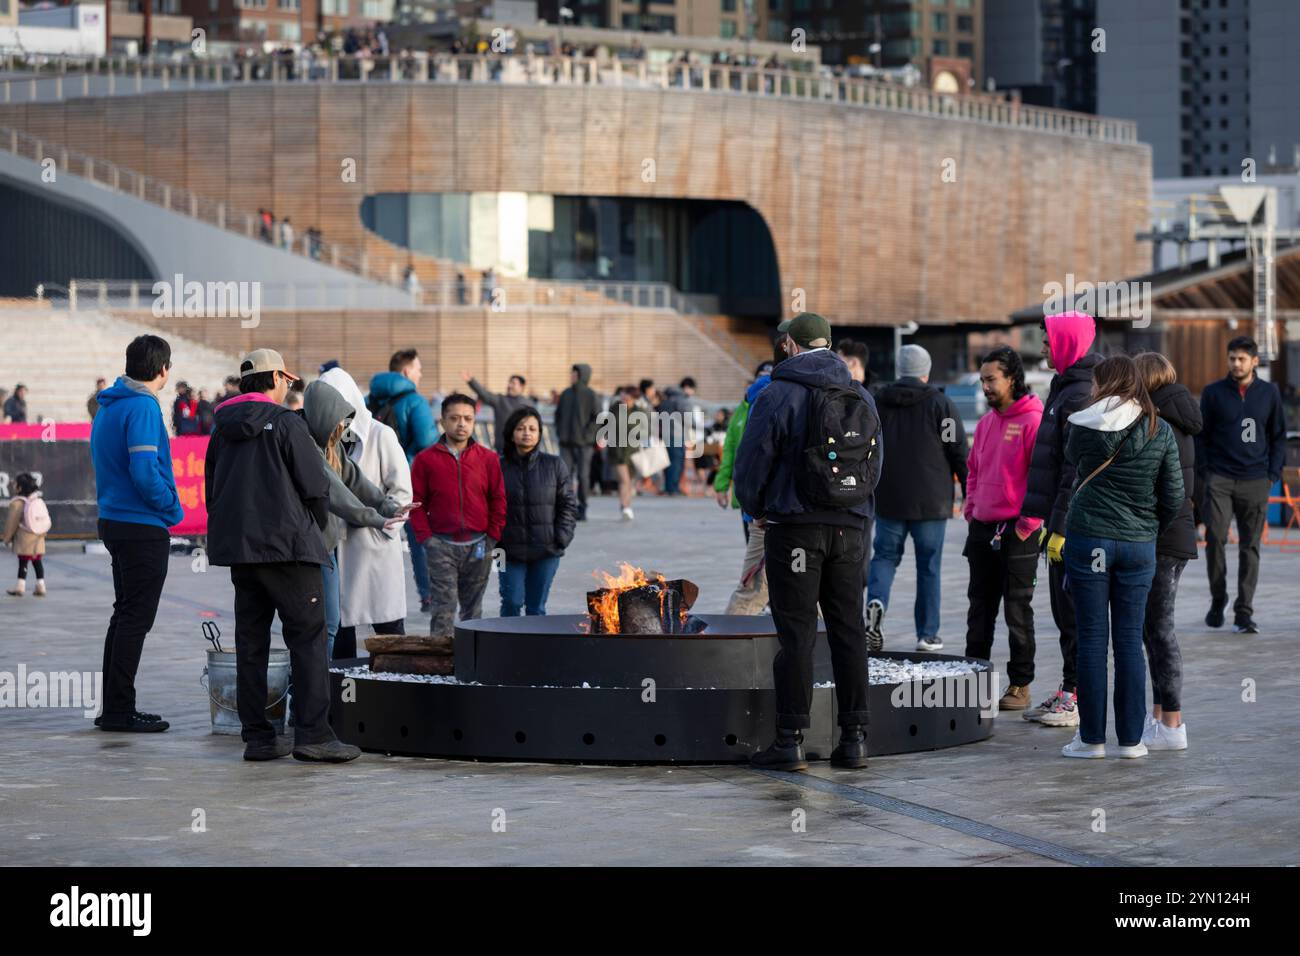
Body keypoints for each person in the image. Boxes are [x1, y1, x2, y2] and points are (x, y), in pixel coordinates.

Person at [735, 312, 883, 771]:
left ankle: (790, 740)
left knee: (797, 634)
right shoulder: (859, 394)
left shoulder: (777, 392)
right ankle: (855, 739)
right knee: (848, 629)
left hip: (795, 528)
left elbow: (754, 459)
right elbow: (876, 464)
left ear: (791, 346)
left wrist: (757, 506)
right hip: (850, 527)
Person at [205, 349, 360, 763]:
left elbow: (211, 492)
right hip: (290, 550)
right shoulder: (287, 423)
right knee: (308, 641)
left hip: (243, 553)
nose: (288, 386)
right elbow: (315, 485)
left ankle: (259, 738)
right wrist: (315, 527)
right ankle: (313, 734)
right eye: (286, 380)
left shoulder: (220, 427)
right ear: (274, 378)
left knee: (251, 644)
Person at [1060, 355, 1183, 759]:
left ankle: (1091, 740)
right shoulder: (1159, 428)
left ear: (1105, 384)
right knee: (1129, 640)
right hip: (1138, 545)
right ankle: (1131, 741)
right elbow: (1174, 495)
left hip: (1089, 540)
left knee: (1093, 639)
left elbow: (1074, 464)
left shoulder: (1082, 424)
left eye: (1097, 383)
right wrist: (1148, 529)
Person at [89, 335, 183, 733]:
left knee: (124, 615)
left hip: (115, 520)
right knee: (134, 619)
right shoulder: (144, 406)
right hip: (141, 525)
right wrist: (170, 507)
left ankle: (115, 707)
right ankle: (119, 710)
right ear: (163, 369)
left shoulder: (109, 405)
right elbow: (145, 472)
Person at [1020, 311, 1101, 728]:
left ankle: (1081, 696)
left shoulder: (1081, 393)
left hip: (1073, 524)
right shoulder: (1063, 385)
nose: (1045, 350)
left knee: (1074, 612)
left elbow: (1075, 469)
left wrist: (1062, 526)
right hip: (1056, 518)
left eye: (1050, 343)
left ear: (1068, 344)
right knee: (1061, 611)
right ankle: (1070, 687)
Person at [865, 344, 967, 652]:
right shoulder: (941, 404)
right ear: (926, 370)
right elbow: (958, 451)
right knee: (929, 566)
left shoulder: (877, 402)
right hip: (931, 500)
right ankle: (927, 634)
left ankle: (876, 603)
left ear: (899, 369)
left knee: (884, 557)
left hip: (888, 497)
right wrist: (968, 488)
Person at [303, 380, 410, 660]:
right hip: (323, 547)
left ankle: (389, 683)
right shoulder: (309, 444)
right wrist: (375, 517)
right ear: (325, 414)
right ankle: (322, 687)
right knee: (332, 625)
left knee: (383, 622)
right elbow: (336, 492)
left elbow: (354, 479)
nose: (342, 427)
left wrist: (387, 508)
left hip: (368, 548)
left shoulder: (351, 440)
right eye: (337, 420)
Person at [961, 347, 1043, 710]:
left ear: (1012, 378)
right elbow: (973, 470)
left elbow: (1043, 477)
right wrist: (971, 508)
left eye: (991, 380)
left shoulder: (1033, 421)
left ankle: (1019, 685)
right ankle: (973, 680)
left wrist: (1027, 524)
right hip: (982, 528)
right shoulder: (985, 423)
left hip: (1018, 531)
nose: (985, 387)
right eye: (982, 381)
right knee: (979, 609)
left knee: (1017, 611)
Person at [1198, 336, 1287, 634]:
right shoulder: (1213, 393)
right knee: (1215, 538)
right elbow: (1201, 435)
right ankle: (1218, 597)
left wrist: (1272, 474)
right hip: (1220, 478)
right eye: (1232, 358)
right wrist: (1206, 472)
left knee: (1251, 546)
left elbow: (1278, 436)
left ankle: (1244, 611)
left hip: (1256, 479)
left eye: (1241, 359)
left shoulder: (1269, 393)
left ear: (1254, 361)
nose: (1236, 364)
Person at [1135, 352, 1200, 751]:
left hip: (1164, 535)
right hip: (1175, 534)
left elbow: (1161, 486)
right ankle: (1159, 717)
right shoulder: (1180, 414)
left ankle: (1173, 724)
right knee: (1151, 629)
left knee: (1159, 629)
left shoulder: (1160, 421)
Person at [409, 393, 506, 637]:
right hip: (440, 545)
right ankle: (439, 664)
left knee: (473, 612)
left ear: (474, 421)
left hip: (479, 545)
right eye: (454, 418)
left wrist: (492, 536)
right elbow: (416, 503)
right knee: (443, 608)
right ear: (442, 421)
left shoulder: (488, 459)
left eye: (467, 418)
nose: (461, 424)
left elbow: (498, 499)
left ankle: (472, 661)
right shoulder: (425, 460)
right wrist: (426, 539)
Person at [369, 349, 438, 613]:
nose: (420, 374)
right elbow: (427, 443)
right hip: (409, 482)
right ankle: (429, 594)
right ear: (407, 371)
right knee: (419, 540)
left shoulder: (369, 399)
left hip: (371, 482)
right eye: (418, 369)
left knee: (374, 539)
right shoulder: (416, 402)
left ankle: (375, 596)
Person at [498, 406, 577, 615]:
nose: (527, 433)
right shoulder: (497, 466)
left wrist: (561, 538)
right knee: (511, 601)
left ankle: (534, 648)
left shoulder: (555, 465)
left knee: (536, 607)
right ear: (511, 433)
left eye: (533, 429)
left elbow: (568, 504)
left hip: (547, 549)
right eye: (521, 428)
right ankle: (505, 645)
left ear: (540, 433)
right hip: (505, 551)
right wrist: (494, 543)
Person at [718, 354, 779, 614]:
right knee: (757, 561)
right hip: (753, 502)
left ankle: (770, 602)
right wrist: (722, 483)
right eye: (761, 376)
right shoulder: (744, 409)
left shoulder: (769, 400)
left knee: (767, 567)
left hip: (763, 503)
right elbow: (731, 449)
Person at [555, 363, 599, 521]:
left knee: (583, 476)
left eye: (574, 374)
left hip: (584, 445)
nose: (572, 376)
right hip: (566, 443)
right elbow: (558, 415)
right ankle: (567, 507)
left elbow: (598, 419)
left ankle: (583, 507)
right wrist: (560, 432)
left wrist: (588, 436)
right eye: (571, 374)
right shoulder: (565, 394)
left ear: (582, 376)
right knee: (564, 476)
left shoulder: (591, 395)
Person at [4, 472, 50, 597]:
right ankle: (41, 585)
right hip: (38, 538)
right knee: (37, 562)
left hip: (24, 539)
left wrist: (7, 539)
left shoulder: (17, 503)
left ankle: (20, 586)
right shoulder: (38, 501)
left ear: (19, 487)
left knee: (23, 563)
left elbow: (11, 524)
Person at [463, 371, 530, 452]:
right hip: (503, 447)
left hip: (522, 447)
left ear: (521, 386)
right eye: (509, 383)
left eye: (513, 383)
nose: (509, 386)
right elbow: (485, 394)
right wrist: (471, 381)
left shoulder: (528, 404)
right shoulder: (500, 400)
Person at [604, 386, 644, 521]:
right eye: (622, 394)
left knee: (630, 481)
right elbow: (606, 425)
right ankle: (625, 506)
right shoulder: (614, 409)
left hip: (632, 452)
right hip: (618, 451)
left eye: (625, 394)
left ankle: (628, 506)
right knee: (624, 480)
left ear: (632, 397)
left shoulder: (639, 412)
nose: (622, 396)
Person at [657, 377, 698, 496]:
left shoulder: (665, 400)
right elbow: (687, 417)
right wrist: (695, 426)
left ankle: (668, 487)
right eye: (693, 389)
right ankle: (673, 488)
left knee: (667, 462)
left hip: (664, 435)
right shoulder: (682, 400)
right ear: (687, 387)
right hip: (677, 435)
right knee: (676, 462)